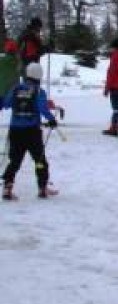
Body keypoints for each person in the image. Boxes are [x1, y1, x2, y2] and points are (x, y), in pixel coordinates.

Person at [1, 62, 59, 200]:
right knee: (39, 159)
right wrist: (52, 119)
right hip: (32, 132)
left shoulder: (16, 88)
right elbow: (43, 108)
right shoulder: (39, 91)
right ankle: (42, 187)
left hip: (15, 131)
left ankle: (7, 187)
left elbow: (6, 104)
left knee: (15, 160)